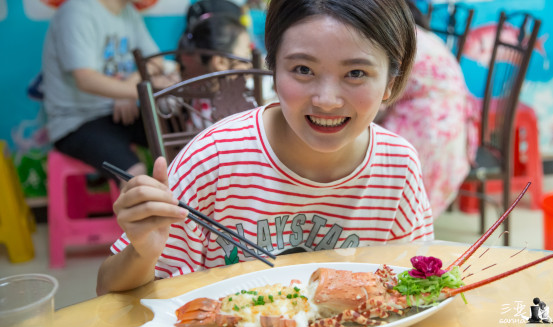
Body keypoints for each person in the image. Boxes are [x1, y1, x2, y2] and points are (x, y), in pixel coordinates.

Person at [97, 0, 432, 295]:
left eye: (356, 73)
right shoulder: (214, 158)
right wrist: (142, 253)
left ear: (390, 82)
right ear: (273, 69)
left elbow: (415, 287)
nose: (326, 100)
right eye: (303, 69)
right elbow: (107, 291)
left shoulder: (397, 166)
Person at [42, 0, 170, 184]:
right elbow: (85, 79)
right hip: (76, 122)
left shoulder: (128, 13)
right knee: (135, 175)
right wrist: (130, 92)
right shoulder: (77, 11)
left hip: (120, 113)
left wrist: (127, 89)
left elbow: (155, 61)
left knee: (177, 136)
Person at [375, 2, 476, 219]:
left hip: (430, 133)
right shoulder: (422, 34)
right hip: (456, 132)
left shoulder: (395, 37)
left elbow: (375, 102)